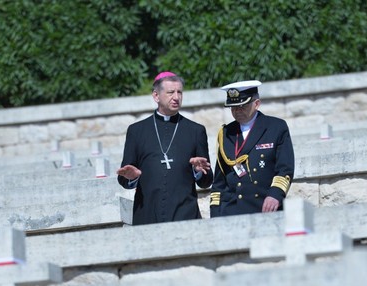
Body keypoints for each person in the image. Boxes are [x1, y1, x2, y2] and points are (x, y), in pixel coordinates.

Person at [117, 72, 212, 225]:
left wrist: (199, 172)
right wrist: (132, 177)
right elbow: (123, 177)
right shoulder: (136, 131)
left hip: (186, 216)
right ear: (156, 96)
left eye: (179, 92)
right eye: (170, 92)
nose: (176, 97)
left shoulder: (196, 131)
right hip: (147, 215)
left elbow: (207, 182)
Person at [209, 80, 294, 217]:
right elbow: (219, 182)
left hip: (264, 207)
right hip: (231, 210)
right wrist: (215, 213)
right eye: (233, 107)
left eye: (242, 106)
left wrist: (275, 195)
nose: (237, 111)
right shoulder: (225, 133)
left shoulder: (276, 127)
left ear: (256, 104)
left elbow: (285, 168)